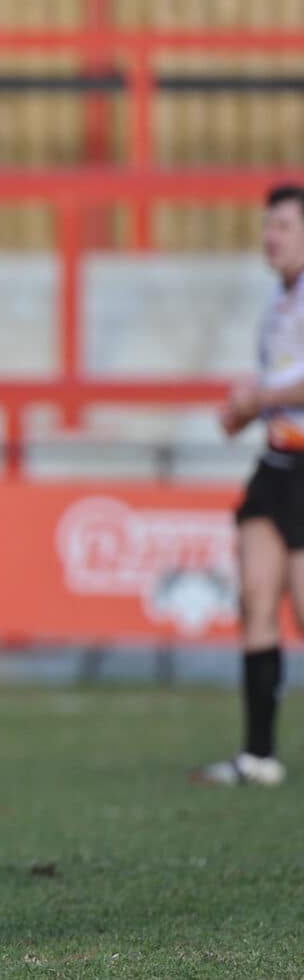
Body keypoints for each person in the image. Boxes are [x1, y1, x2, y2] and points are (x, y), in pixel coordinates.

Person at [193, 183, 304, 788]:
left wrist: (260, 396)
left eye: (284, 226)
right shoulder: (280, 302)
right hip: (278, 463)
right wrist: (250, 411)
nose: (272, 237)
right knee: (256, 601)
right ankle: (259, 755)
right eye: (269, 226)